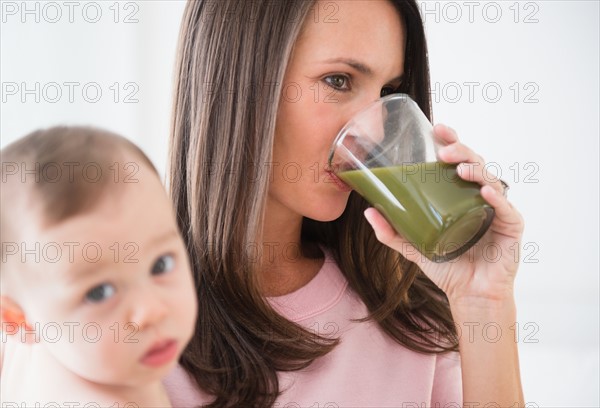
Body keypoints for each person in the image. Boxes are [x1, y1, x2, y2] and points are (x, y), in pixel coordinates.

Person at [165, 0, 525, 407]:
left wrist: (483, 301)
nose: (376, 135)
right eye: (338, 81)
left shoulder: (409, 314)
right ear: (236, 83)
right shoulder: (132, 320)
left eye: (389, 93)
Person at [0, 127, 197, 407]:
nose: (151, 311)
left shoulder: (29, 344)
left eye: (160, 265)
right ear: (18, 320)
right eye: (99, 293)